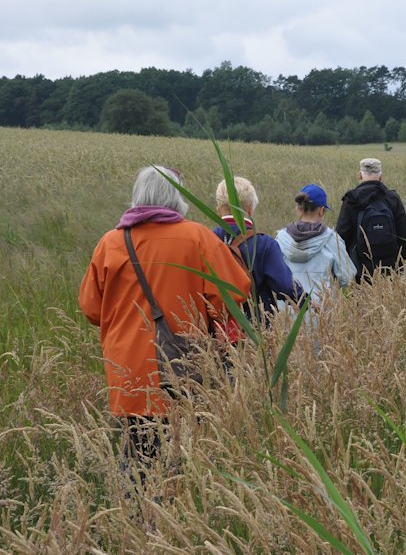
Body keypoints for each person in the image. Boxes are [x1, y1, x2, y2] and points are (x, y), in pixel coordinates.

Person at [78, 166, 252, 476]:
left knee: (137, 458)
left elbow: (91, 309)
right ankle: (177, 515)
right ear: (177, 197)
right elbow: (235, 293)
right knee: (183, 457)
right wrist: (206, 316)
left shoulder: (111, 243)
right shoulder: (196, 237)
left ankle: (136, 518)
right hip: (182, 366)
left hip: (128, 371)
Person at [212, 177, 305, 322]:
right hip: (256, 326)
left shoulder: (206, 239)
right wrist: (306, 299)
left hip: (216, 327)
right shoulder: (264, 243)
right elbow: (285, 286)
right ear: (250, 209)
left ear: (218, 208)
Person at [335, 157, 406, 282]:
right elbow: (404, 232)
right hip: (391, 266)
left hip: (360, 268)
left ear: (360, 175)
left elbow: (341, 234)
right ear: (381, 176)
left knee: (362, 301)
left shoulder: (351, 199)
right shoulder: (392, 198)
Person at [276, 184, 356, 306]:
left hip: (286, 313)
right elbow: (347, 277)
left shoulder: (280, 239)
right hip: (321, 313)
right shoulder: (332, 239)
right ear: (321, 210)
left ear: (299, 208)